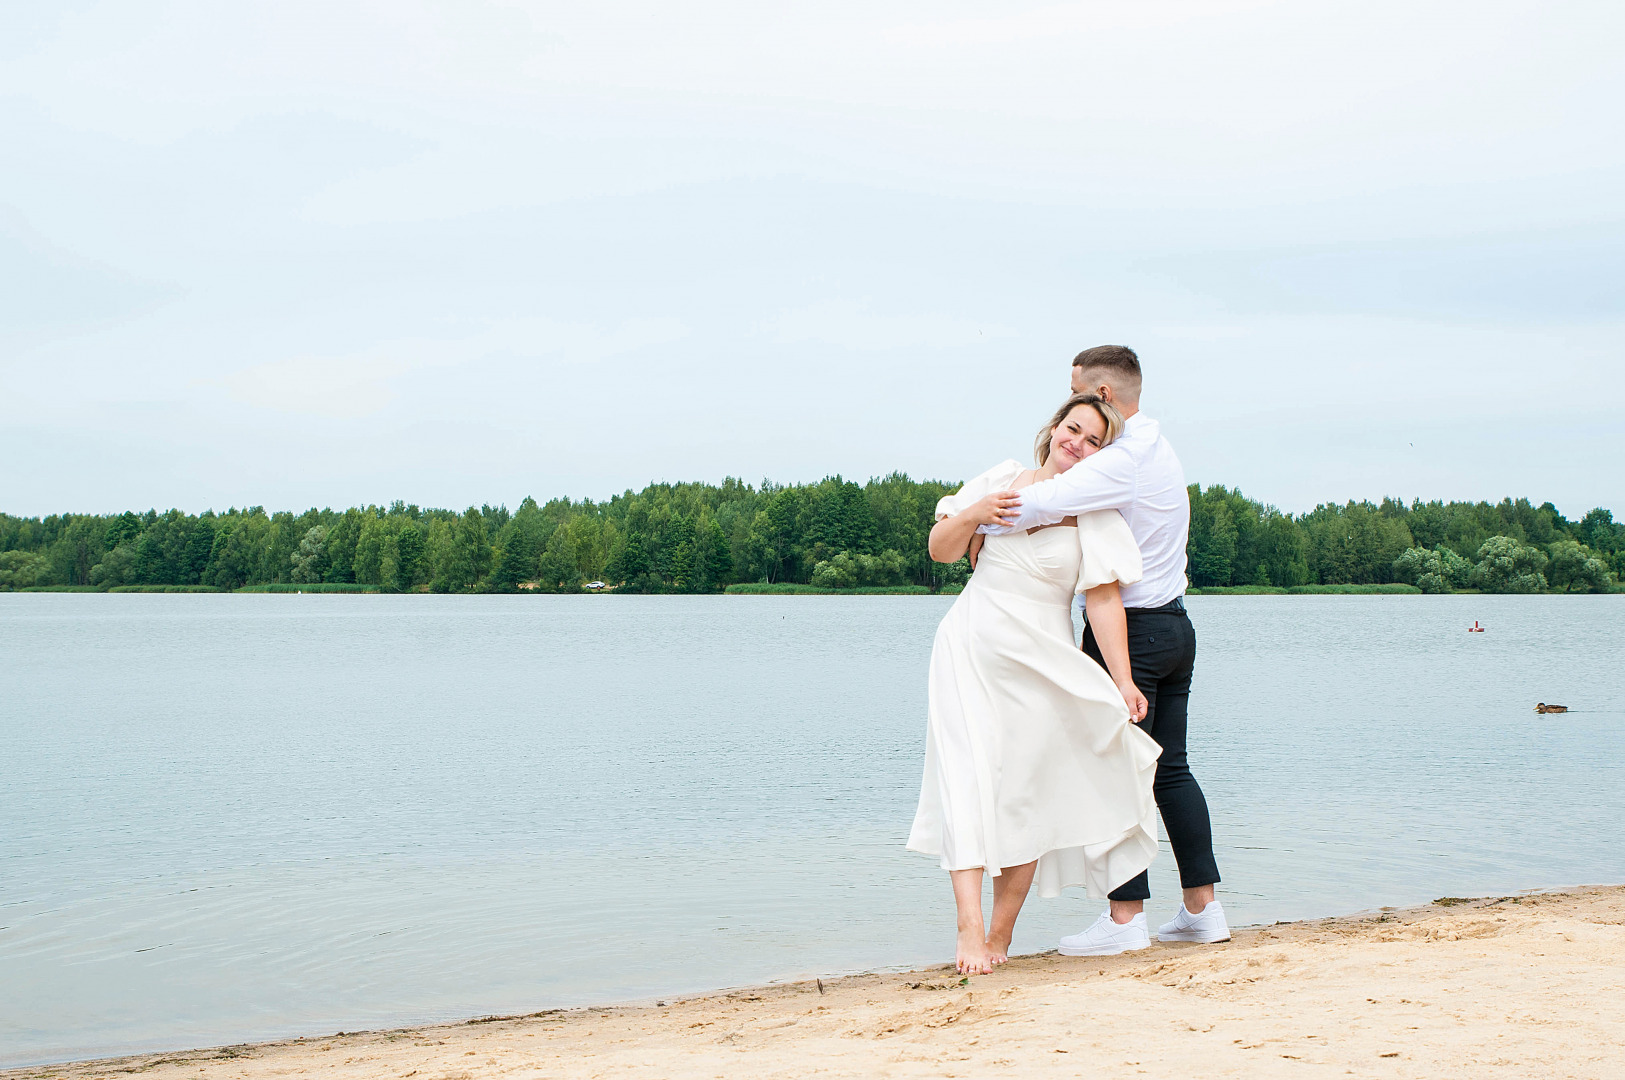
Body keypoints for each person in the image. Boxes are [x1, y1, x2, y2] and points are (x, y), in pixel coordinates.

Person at [982, 345, 1229, 956]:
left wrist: (972, 515)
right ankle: (1203, 910)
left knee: (1114, 775)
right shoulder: (1157, 447)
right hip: (1175, 627)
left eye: (1080, 393)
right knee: (1170, 769)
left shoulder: (1120, 461)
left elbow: (1037, 502)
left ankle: (1124, 920)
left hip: (1133, 634)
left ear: (1106, 398)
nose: (1073, 404)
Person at [907, 392, 1162, 976]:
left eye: (1093, 440)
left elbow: (1102, 601)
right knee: (965, 781)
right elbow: (940, 549)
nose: (1077, 443)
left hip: (1043, 664)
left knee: (1025, 796)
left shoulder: (1098, 514)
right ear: (1053, 429)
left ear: (1103, 455)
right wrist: (976, 513)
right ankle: (968, 925)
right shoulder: (1003, 478)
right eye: (1072, 429)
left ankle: (1001, 932)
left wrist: (1121, 679)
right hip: (969, 646)